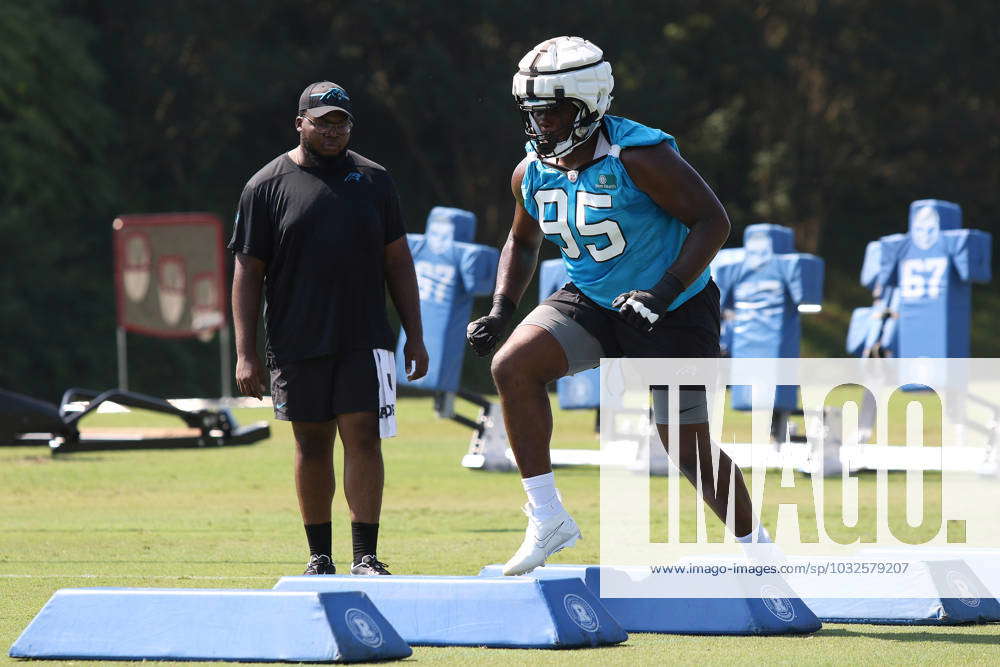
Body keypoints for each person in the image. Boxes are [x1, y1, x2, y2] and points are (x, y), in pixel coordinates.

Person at [467, 36, 768, 575]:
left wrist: (663, 293)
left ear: (587, 105)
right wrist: (500, 309)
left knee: (687, 444)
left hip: (674, 307)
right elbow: (523, 239)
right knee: (512, 366)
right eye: (531, 114)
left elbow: (713, 222)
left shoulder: (641, 157)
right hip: (590, 297)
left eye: (551, 113)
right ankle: (548, 517)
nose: (539, 126)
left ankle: (760, 552)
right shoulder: (531, 171)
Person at [230, 81, 428, 576]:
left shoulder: (375, 179)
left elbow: (398, 262)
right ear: (300, 123)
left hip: (364, 337)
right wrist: (245, 352)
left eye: (340, 122)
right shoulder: (266, 186)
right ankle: (320, 556)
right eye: (322, 121)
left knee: (365, 438)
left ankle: (366, 555)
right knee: (310, 442)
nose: (332, 130)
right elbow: (247, 272)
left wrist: (416, 335)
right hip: (297, 338)